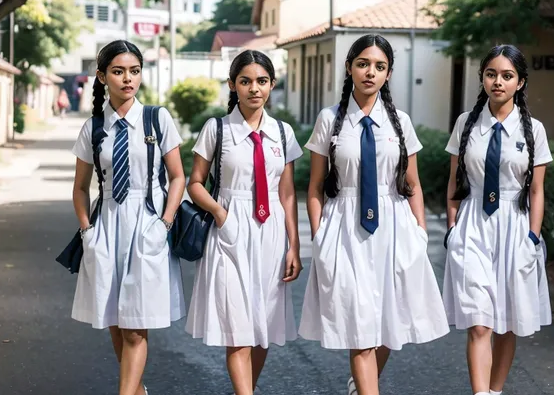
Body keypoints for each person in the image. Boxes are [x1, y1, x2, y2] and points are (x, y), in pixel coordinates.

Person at [299, 34, 450, 395]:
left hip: (395, 227)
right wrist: (319, 236)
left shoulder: (400, 122)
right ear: (349, 67)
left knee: (388, 322)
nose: (370, 72)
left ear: (388, 73)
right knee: (357, 321)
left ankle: (362, 382)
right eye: (363, 64)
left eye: (379, 67)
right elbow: (315, 187)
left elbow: (412, 184)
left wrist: (419, 233)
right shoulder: (329, 119)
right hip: (344, 227)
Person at [70, 40, 186, 395]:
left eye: (134, 71)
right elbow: (79, 188)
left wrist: (163, 223)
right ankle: (136, 390)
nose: (127, 79)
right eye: (118, 72)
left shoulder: (157, 118)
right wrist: (87, 231)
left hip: (147, 223)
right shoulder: (93, 129)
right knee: (116, 322)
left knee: (136, 326)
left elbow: (178, 177)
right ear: (102, 76)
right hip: (106, 226)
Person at [185, 49, 304, 395]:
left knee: (262, 328)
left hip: (270, 234)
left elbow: (288, 194)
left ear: (272, 85)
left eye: (262, 81)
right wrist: (221, 214)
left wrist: (294, 245)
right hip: (230, 229)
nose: (254, 88)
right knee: (237, 326)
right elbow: (195, 183)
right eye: (246, 81)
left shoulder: (282, 133)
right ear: (232, 85)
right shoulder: (217, 129)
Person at [442, 44, 553, 395]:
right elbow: (454, 182)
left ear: (520, 82)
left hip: (515, 226)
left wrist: (532, 239)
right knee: (478, 322)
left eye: (507, 76)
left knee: (507, 322)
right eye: (491, 74)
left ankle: (495, 390)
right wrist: (452, 229)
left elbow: (536, 190)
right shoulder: (466, 123)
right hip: (473, 222)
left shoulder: (534, 129)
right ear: (482, 79)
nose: (498, 82)